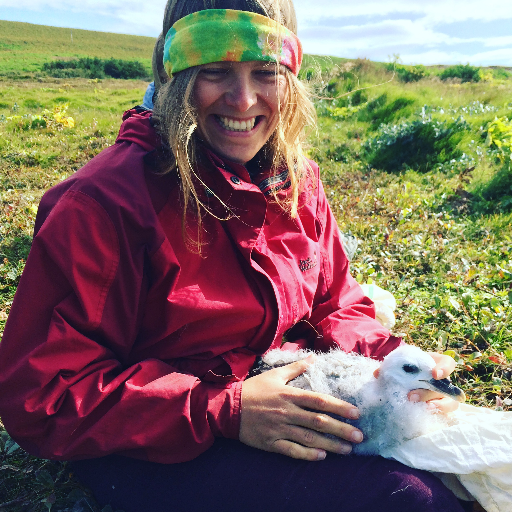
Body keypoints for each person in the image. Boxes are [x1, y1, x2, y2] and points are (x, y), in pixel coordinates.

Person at [0, 1, 471, 511]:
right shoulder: (101, 205)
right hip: (150, 438)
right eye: (215, 71)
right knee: (412, 500)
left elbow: (334, 304)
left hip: (276, 389)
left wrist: (393, 364)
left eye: (265, 72)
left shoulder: (297, 180)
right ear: (174, 74)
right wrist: (226, 411)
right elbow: (43, 396)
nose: (243, 100)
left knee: (461, 467)